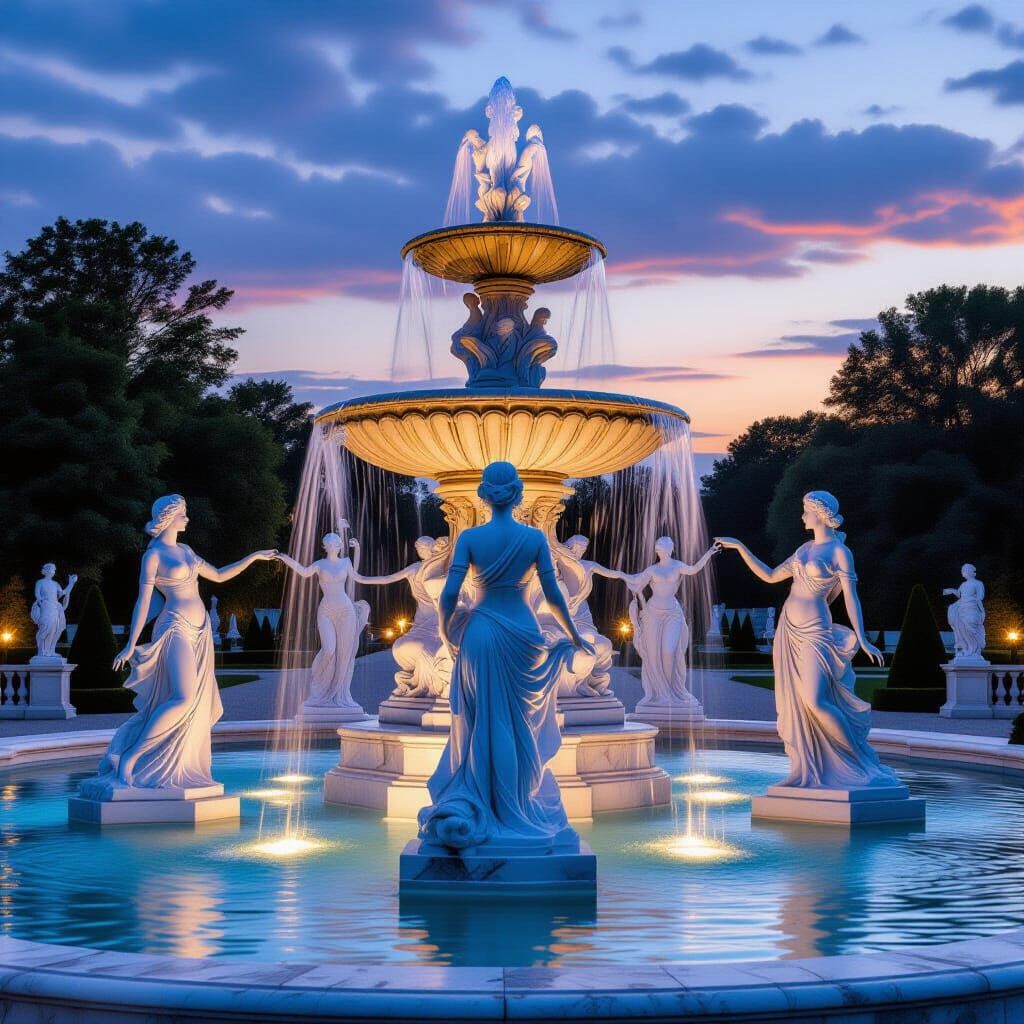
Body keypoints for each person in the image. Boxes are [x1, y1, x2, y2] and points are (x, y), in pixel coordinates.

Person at [418, 462, 595, 850]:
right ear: (517, 495)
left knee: (483, 722)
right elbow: (553, 594)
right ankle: (517, 806)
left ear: (484, 495)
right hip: (524, 634)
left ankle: (484, 803)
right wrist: (572, 634)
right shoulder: (533, 538)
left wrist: (448, 631)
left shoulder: (469, 537)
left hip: (480, 632)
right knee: (518, 727)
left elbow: (448, 594)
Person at [80, 495, 276, 797]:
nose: (187, 519)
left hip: (201, 631)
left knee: (193, 703)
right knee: (183, 699)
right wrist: (131, 643)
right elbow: (143, 601)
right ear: (169, 517)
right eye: (183, 514)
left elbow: (220, 575)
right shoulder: (153, 556)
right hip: (175, 627)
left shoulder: (185, 550)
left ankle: (162, 762)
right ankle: (129, 760)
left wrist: (253, 557)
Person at [716, 491, 897, 790]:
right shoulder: (804, 548)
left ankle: (859, 764)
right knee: (798, 702)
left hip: (815, 630)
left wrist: (862, 638)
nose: (802, 516)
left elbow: (851, 598)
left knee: (816, 700)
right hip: (788, 627)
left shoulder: (840, 552)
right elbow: (772, 576)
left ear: (819, 513)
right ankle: (806, 767)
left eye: (805, 511)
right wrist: (740, 548)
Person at [276, 524, 370, 711]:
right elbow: (303, 571)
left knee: (344, 654)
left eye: (335, 544)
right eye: (329, 545)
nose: (333, 547)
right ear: (325, 547)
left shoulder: (346, 563)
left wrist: (357, 549)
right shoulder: (320, 564)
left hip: (346, 611)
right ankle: (318, 679)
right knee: (329, 649)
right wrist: (283, 557)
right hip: (326, 610)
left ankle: (339, 694)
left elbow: (356, 575)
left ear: (340, 546)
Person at [622, 536, 718, 709]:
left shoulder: (678, 566)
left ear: (671, 549)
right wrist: (625, 579)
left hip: (673, 613)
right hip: (653, 614)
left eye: (665, 549)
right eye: (660, 549)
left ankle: (672, 691)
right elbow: (637, 584)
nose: (663, 552)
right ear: (657, 551)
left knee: (668, 651)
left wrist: (709, 553)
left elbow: (694, 569)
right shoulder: (652, 570)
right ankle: (659, 694)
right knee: (652, 655)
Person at [31, 563, 77, 659]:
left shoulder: (55, 584)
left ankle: (51, 651)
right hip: (46, 606)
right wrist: (41, 602)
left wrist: (71, 583)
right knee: (46, 626)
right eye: (52, 569)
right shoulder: (40, 582)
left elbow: (63, 593)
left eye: (54, 570)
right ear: (46, 570)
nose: (54, 571)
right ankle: (41, 651)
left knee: (55, 629)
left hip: (55, 607)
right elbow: (37, 594)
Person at [943, 564, 986, 661]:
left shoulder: (978, 583)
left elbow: (980, 597)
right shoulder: (963, 584)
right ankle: (967, 649)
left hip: (972, 609)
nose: (963, 572)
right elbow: (959, 595)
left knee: (970, 629)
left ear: (971, 572)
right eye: (962, 570)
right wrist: (951, 590)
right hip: (962, 609)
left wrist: (982, 611)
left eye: (965, 570)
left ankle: (974, 651)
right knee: (962, 629)